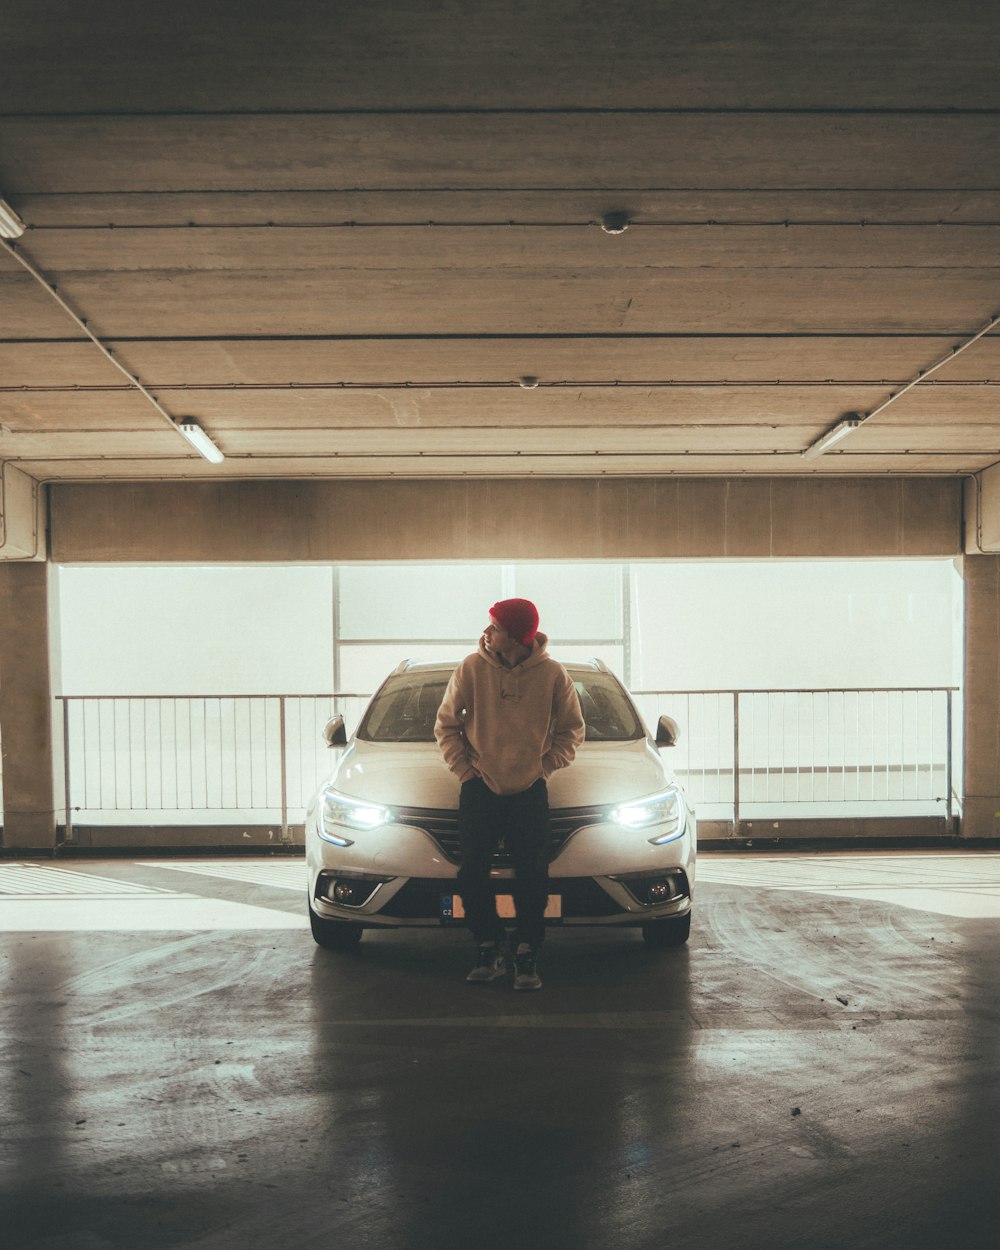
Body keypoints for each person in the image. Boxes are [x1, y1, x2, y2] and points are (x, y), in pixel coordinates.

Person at [434, 598, 585, 990]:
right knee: (472, 874)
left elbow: (572, 730)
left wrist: (544, 767)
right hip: (479, 788)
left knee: (532, 877)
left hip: (529, 791)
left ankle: (527, 953)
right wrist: (465, 772)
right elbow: (446, 725)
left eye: (495, 627)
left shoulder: (552, 674)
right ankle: (488, 945)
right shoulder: (470, 668)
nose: (487, 633)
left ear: (517, 636)